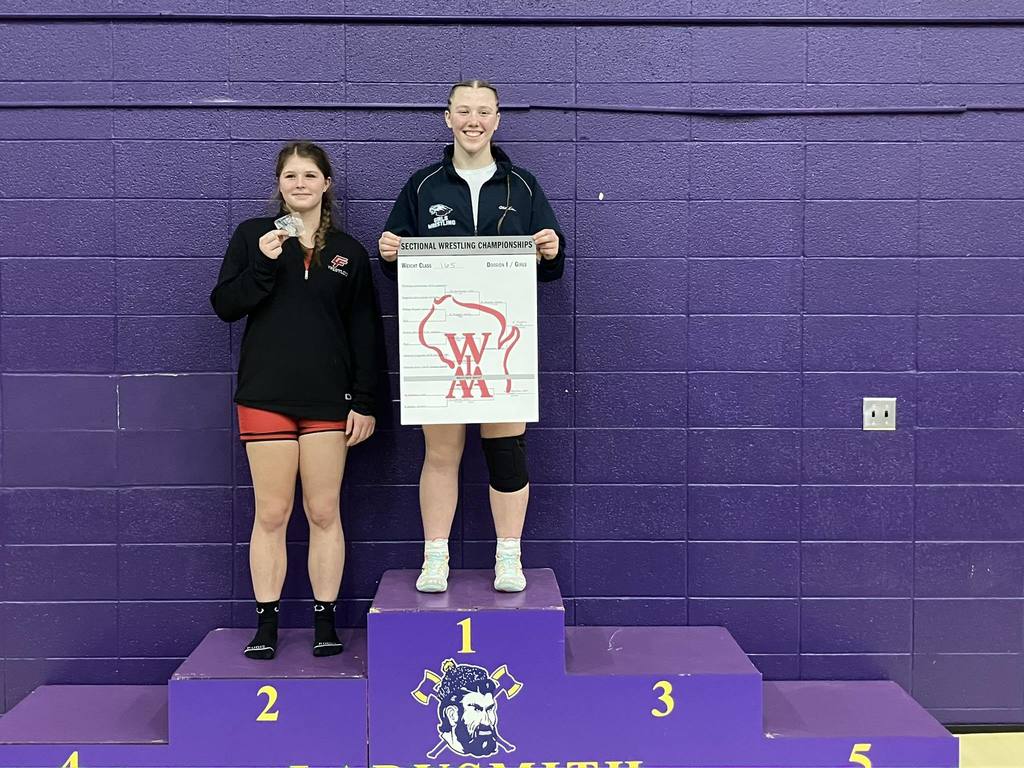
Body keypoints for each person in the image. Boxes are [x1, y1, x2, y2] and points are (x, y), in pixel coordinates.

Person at [378, 79, 565, 594]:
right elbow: (398, 266)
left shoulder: (522, 186)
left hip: (503, 348)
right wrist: (390, 251)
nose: (473, 120)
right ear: (448, 118)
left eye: (484, 111)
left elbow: (550, 268)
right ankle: (434, 556)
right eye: (464, 111)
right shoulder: (422, 185)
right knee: (441, 452)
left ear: (497, 120)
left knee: (506, 449)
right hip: (443, 353)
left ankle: (509, 555)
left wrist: (551, 248)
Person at [211, 141, 381, 658]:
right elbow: (225, 306)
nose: (300, 183)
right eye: (291, 176)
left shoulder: (349, 252)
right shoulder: (251, 238)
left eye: (310, 175)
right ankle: (267, 624)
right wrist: (261, 265)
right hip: (266, 395)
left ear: (326, 184)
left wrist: (366, 400)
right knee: (273, 511)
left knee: (324, 510)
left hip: (329, 401)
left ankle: (324, 620)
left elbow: (365, 332)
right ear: (279, 185)